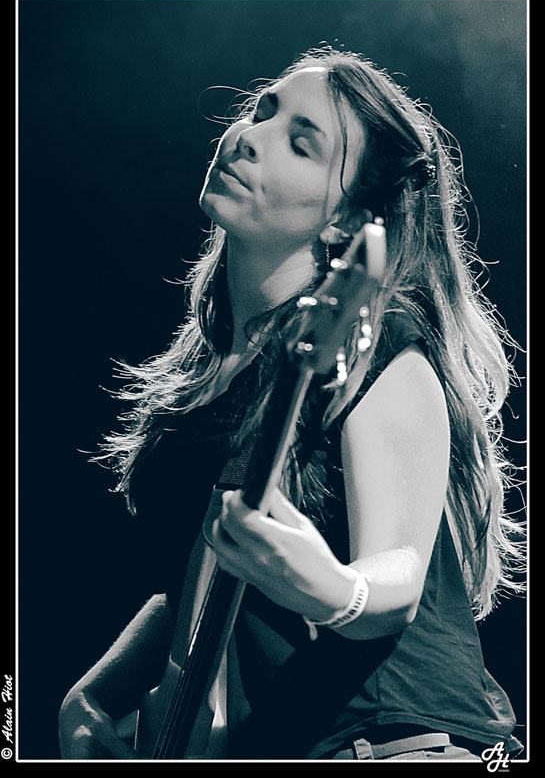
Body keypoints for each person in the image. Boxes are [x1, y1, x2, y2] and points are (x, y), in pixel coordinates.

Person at [58, 46, 525, 761]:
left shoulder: (372, 343)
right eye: (262, 110)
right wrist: (90, 698)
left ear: (346, 222)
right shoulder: (209, 377)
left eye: (301, 144)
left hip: (392, 743)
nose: (248, 136)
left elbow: (397, 570)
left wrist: (334, 590)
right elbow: (196, 584)